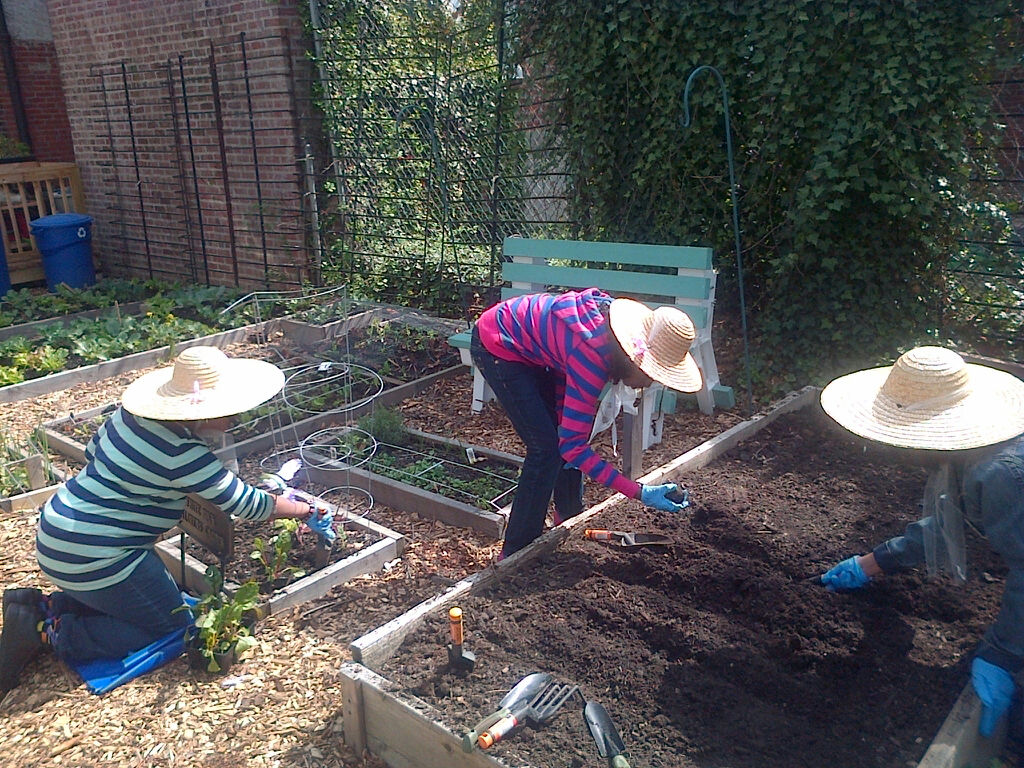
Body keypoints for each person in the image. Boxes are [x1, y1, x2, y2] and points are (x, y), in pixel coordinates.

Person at [0, 346, 334, 697]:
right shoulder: (183, 455)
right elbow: (247, 505)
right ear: (203, 413)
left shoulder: (127, 419)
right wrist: (307, 510)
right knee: (169, 628)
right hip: (98, 557)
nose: (237, 417)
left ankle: (43, 605)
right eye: (230, 409)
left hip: (58, 530)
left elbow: (93, 454)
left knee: (138, 601)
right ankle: (44, 631)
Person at [816, 346, 1024, 739]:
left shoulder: (1003, 475)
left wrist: (1003, 652)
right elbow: (954, 523)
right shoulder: (980, 456)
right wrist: (874, 563)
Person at [470, 287, 702, 558]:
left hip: (538, 347)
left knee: (560, 434)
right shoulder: (593, 354)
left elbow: (563, 366)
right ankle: (516, 554)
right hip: (499, 342)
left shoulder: (607, 338)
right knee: (546, 450)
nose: (650, 383)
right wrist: (638, 492)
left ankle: (567, 518)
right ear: (634, 359)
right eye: (651, 374)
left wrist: (562, 419)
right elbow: (572, 447)